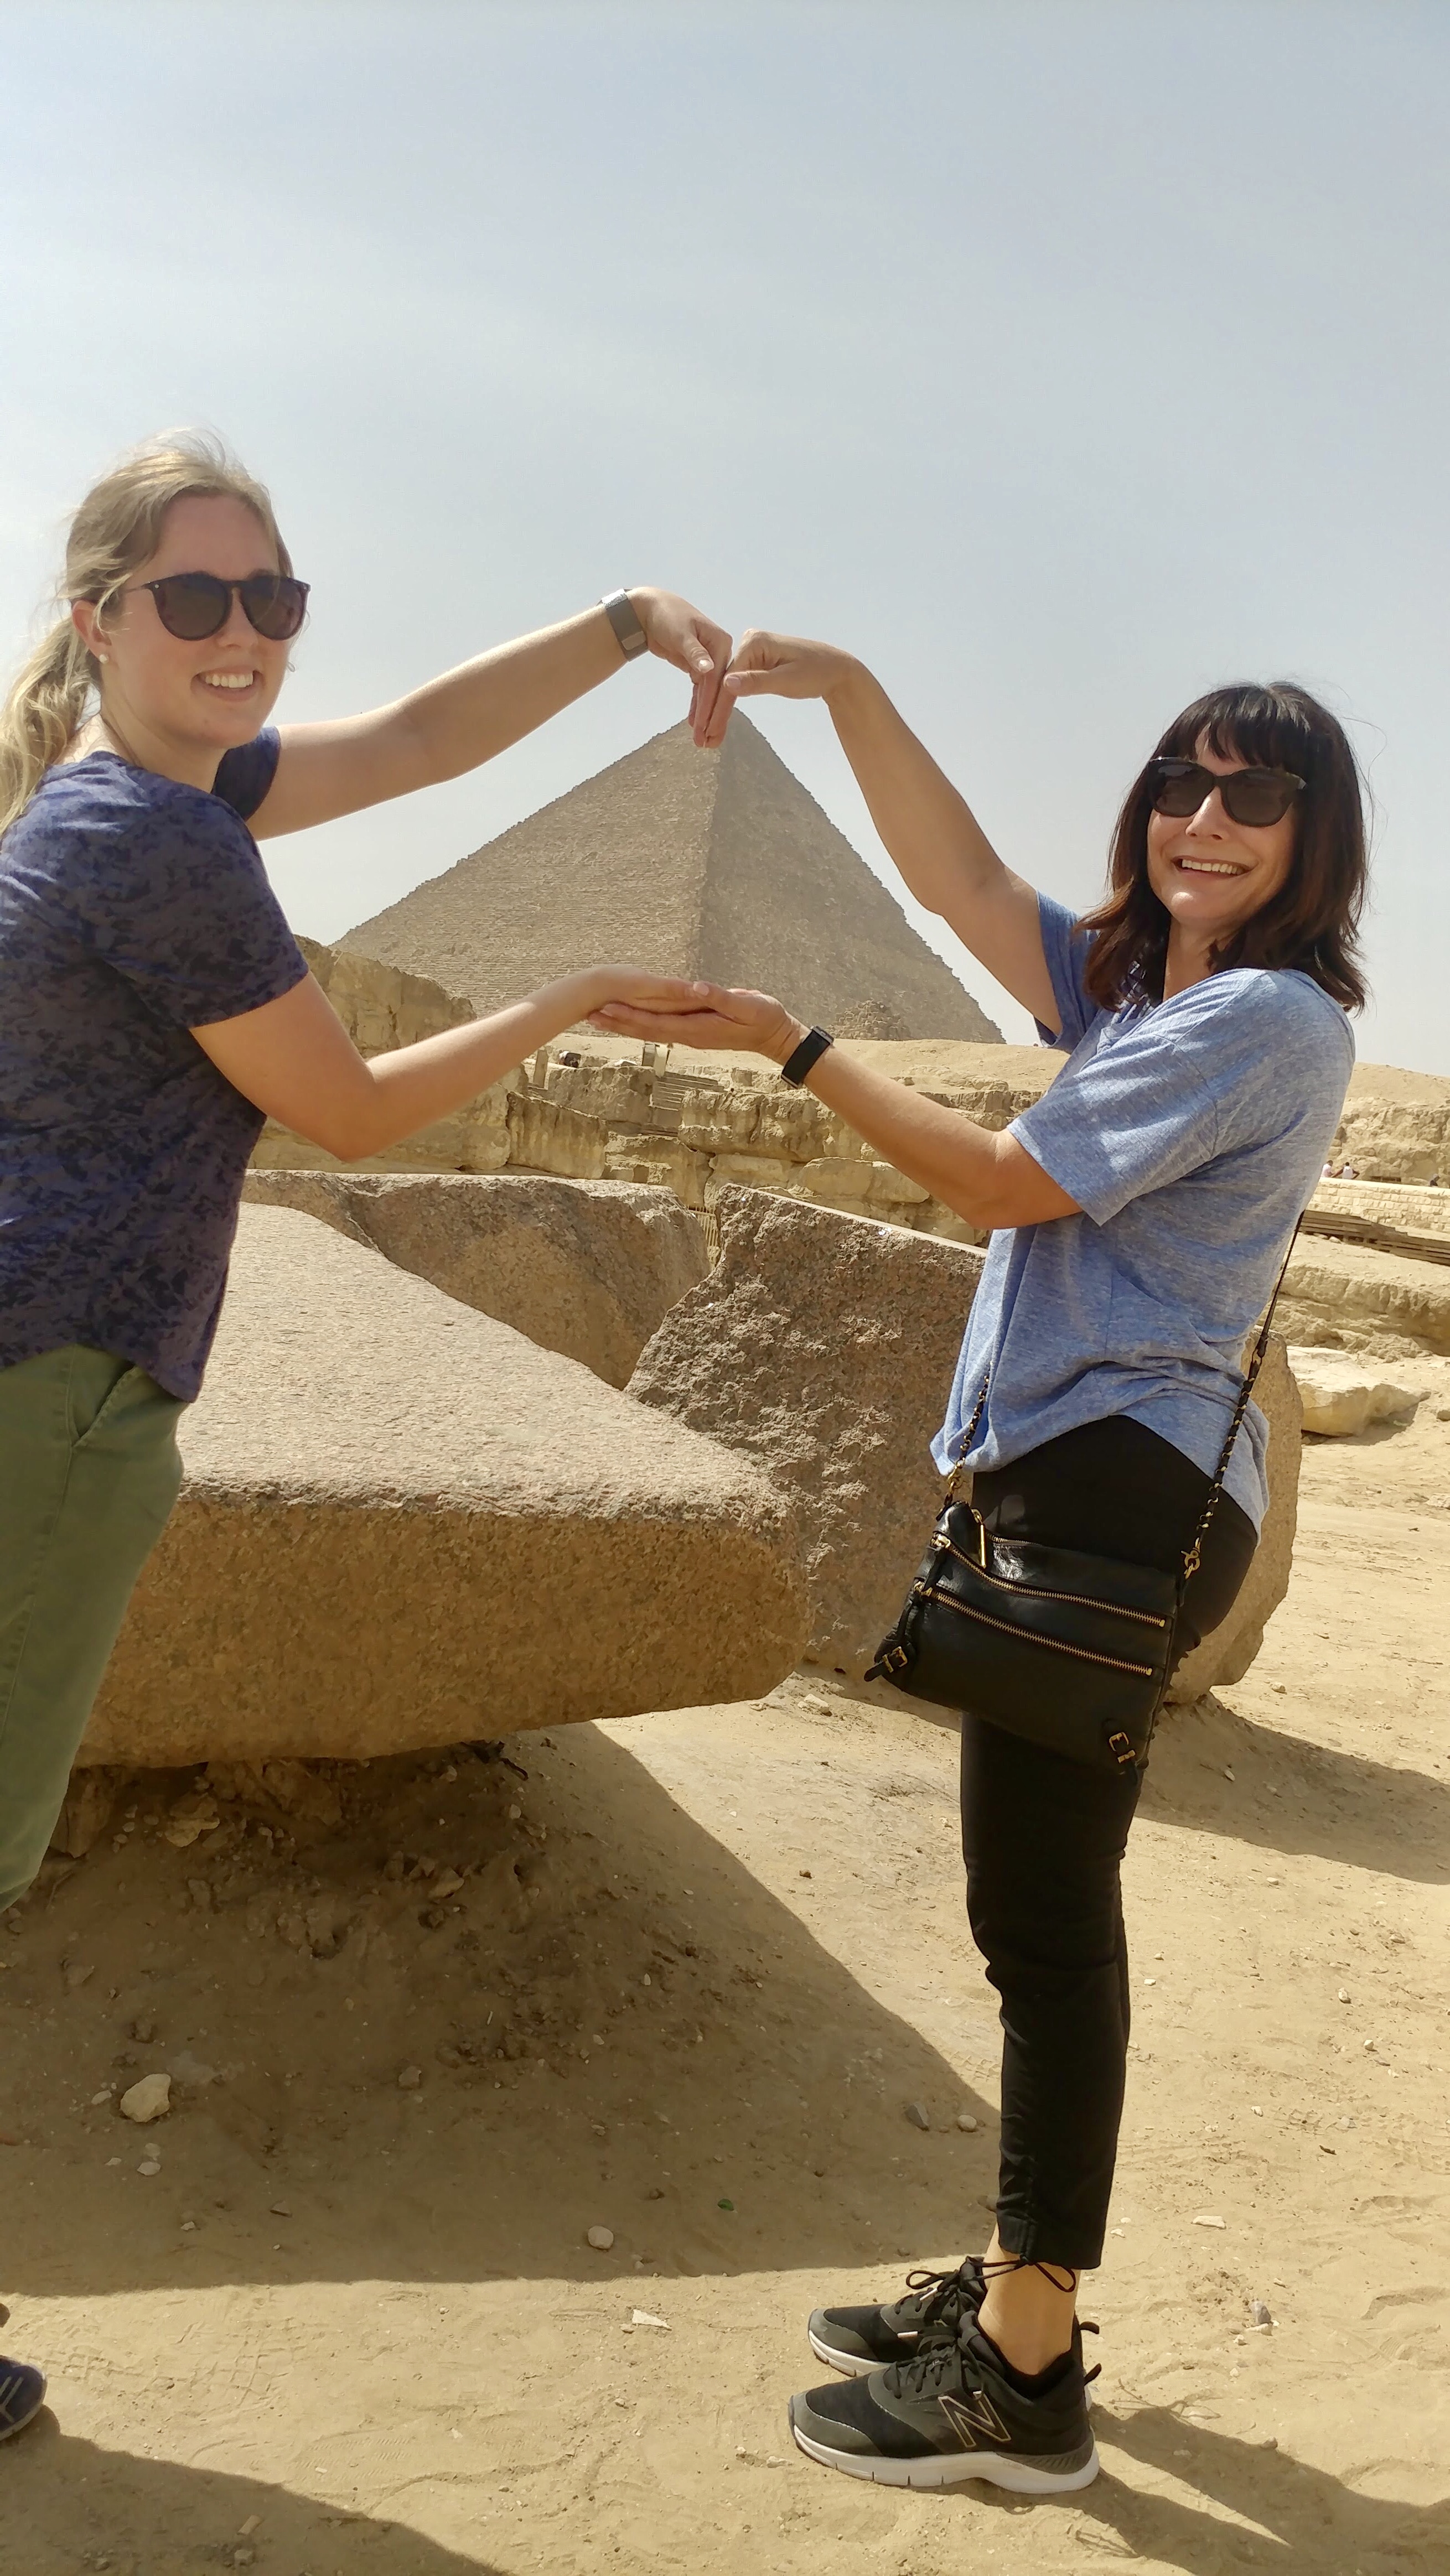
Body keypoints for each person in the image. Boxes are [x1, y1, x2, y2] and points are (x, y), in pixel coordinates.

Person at [0, 433, 732, 2437]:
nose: (245, 635)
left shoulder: (139, 789)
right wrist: (566, 993)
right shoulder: (158, 844)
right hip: (57, 1393)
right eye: (198, 599)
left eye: (275, 599)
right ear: (102, 619)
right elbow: (347, 1109)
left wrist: (618, 627)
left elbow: (412, 743)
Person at [592, 635, 1365, 2496]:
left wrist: (796, 1049)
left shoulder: (1259, 1021)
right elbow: (951, 881)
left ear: (1314, 836)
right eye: (1180, 781)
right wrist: (845, 687)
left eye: (1253, 795)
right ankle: (1014, 2306)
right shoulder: (1146, 990)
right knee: (1031, 1915)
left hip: (1119, 1493)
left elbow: (1005, 1183)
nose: (1202, 818)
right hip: (1073, 1477)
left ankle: (1023, 2376)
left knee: (1046, 1931)